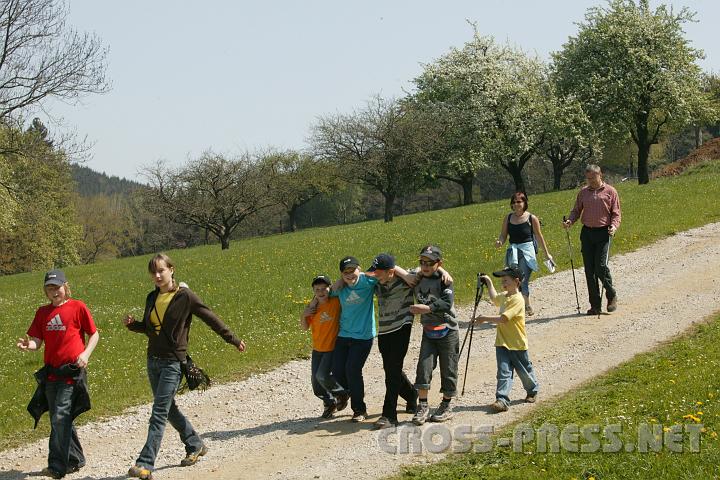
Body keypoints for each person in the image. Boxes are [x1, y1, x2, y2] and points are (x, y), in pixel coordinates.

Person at [123, 253, 246, 480]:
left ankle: (145, 464)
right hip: (153, 360)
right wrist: (134, 326)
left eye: (161, 270)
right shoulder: (151, 297)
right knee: (168, 408)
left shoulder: (185, 296)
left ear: (172, 269)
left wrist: (233, 339)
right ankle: (195, 443)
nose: (157, 275)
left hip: (172, 362)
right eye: (153, 272)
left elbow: (210, 317)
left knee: (159, 412)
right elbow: (153, 330)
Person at [18, 269, 100, 479]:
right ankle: (75, 459)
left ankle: (56, 466)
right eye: (50, 288)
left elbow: (94, 334)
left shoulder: (77, 307)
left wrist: (86, 354)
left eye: (57, 287)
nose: (54, 291)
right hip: (51, 375)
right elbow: (37, 340)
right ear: (45, 291)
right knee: (60, 417)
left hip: (72, 372)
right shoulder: (42, 313)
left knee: (61, 417)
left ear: (66, 286)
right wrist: (29, 345)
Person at [473, 266, 539, 413]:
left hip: (516, 343)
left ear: (516, 281)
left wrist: (484, 318)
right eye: (502, 281)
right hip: (502, 342)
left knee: (524, 371)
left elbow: (503, 318)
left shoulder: (518, 299)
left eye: (506, 281)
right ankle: (502, 399)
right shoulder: (505, 296)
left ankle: (532, 390)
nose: (503, 283)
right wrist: (489, 282)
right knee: (503, 371)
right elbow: (494, 298)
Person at [366, 254, 418, 429]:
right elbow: (357, 276)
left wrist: (401, 273)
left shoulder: (408, 279)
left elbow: (429, 268)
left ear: (390, 272)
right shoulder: (375, 281)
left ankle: (389, 415)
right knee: (390, 368)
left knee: (392, 370)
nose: (375, 275)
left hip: (402, 327)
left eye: (378, 273)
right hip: (384, 330)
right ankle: (411, 395)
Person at [562, 164, 621, 315]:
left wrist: (614, 227)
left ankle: (611, 293)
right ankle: (595, 305)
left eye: (593, 178)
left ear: (600, 175)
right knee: (590, 270)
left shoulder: (610, 191)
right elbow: (576, 210)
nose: (590, 181)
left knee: (600, 266)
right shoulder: (583, 192)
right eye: (588, 179)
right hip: (587, 233)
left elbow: (616, 213)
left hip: (604, 232)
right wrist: (570, 221)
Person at [411, 245, 459, 425]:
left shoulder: (444, 280)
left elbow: (447, 302)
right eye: (422, 262)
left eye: (430, 262)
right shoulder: (417, 277)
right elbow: (394, 269)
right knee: (423, 368)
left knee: (449, 369)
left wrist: (427, 308)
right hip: (428, 332)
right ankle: (422, 406)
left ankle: (446, 405)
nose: (425, 266)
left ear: (438, 263)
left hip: (448, 331)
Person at [329, 256, 378, 423]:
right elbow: (325, 294)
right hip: (343, 335)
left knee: (352, 370)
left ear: (360, 269)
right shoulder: (339, 287)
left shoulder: (368, 281)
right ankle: (349, 392)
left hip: (363, 336)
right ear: (341, 274)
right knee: (337, 370)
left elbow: (388, 274)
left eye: (352, 270)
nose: (350, 275)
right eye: (345, 272)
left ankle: (359, 410)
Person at [495, 191, 553, 316]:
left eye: (519, 202)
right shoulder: (508, 218)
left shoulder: (531, 218)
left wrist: (546, 254)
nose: (516, 204)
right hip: (513, 252)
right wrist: (500, 241)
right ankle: (517, 305)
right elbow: (503, 235)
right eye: (514, 202)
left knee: (522, 279)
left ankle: (526, 305)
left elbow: (539, 236)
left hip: (527, 252)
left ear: (524, 203)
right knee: (513, 279)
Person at [300, 275, 348, 419]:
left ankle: (342, 393)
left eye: (324, 288)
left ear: (329, 288)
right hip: (317, 349)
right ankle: (329, 403)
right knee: (316, 384)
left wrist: (334, 287)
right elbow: (304, 327)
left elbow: (341, 283)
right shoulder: (312, 308)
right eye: (317, 289)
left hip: (332, 348)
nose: (321, 292)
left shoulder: (335, 302)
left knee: (322, 375)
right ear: (313, 291)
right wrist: (304, 315)